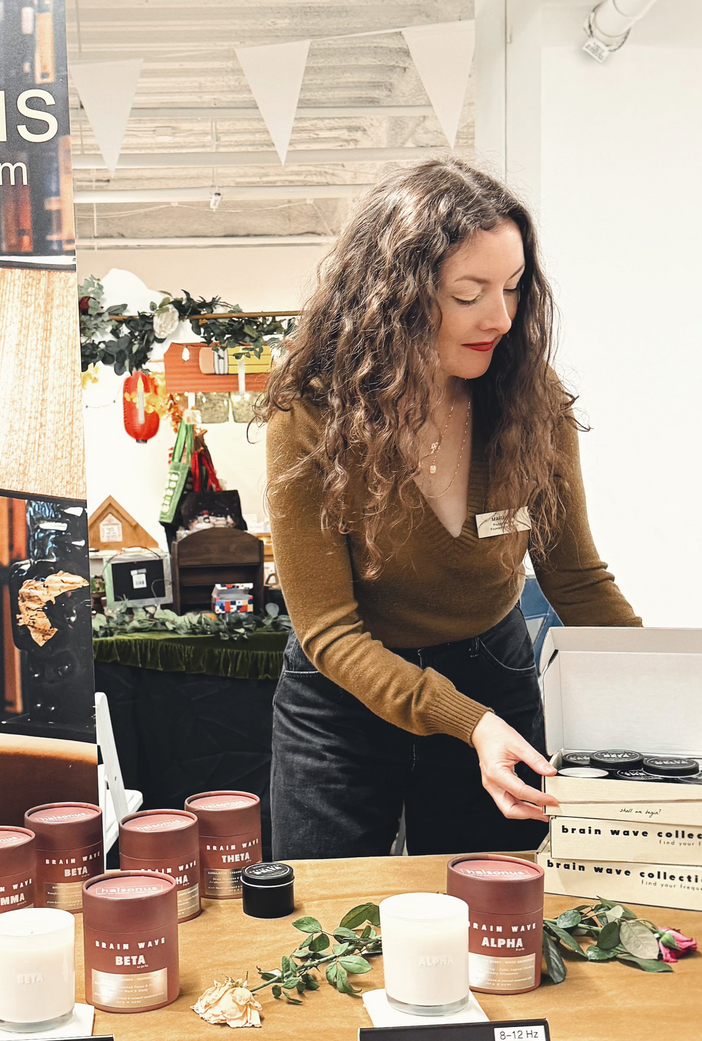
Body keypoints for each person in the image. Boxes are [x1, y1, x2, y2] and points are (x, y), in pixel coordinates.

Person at [262, 159, 640, 860]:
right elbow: (330, 632)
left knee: (497, 912)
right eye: (469, 294)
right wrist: (468, 723)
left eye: (514, 287)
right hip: (343, 701)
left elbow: (577, 579)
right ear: (394, 298)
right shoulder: (313, 414)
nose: (500, 318)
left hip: (492, 676)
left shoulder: (530, 400)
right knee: (327, 927)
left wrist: (679, 710)